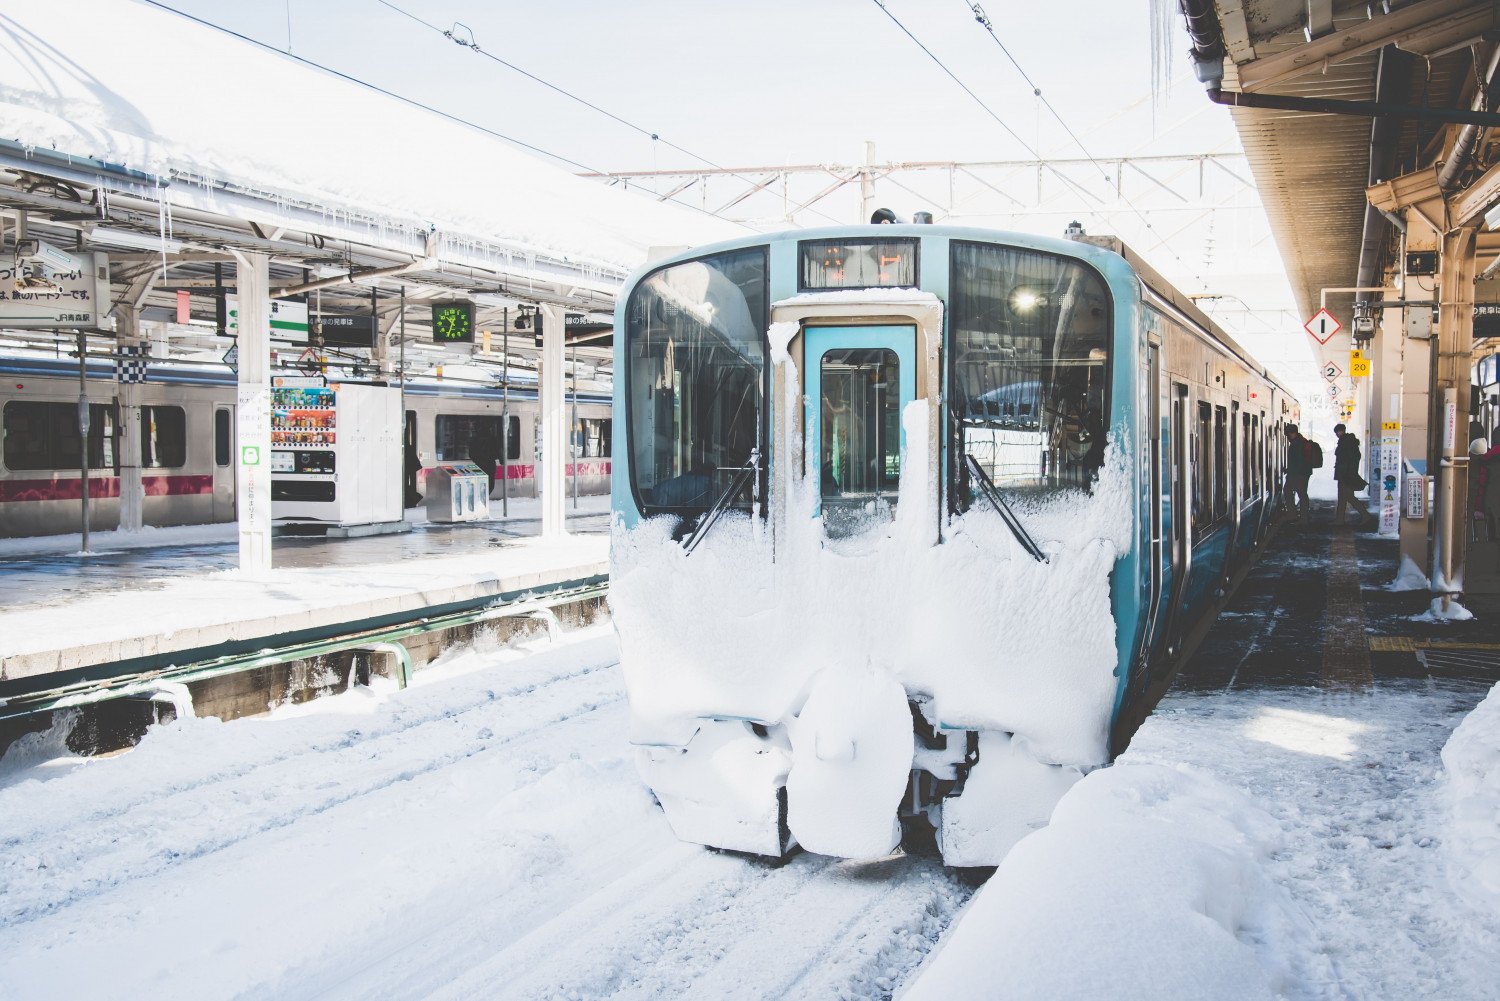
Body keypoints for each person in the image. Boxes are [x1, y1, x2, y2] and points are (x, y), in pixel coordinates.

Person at [1333, 423, 1375, 529]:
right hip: (1346, 474)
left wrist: (1347, 474)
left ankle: (1365, 515)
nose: (1337, 434)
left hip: (1346, 475)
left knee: (1348, 497)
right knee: (1343, 498)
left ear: (1340, 431)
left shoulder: (1346, 443)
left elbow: (1347, 461)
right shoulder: (1349, 442)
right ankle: (1339, 520)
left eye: (1337, 432)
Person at [1283, 423, 1313, 521]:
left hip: (1299, 474)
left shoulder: (1297, 444)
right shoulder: (1301, 441)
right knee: (1302, 493)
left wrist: (1290, 472)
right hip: (1303, 473)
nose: (1287, 437)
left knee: (1289, 491)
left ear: (1293, 433)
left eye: (1288, 434)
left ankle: (1294, 515)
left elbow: (1297, 461)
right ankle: (1303, 515)